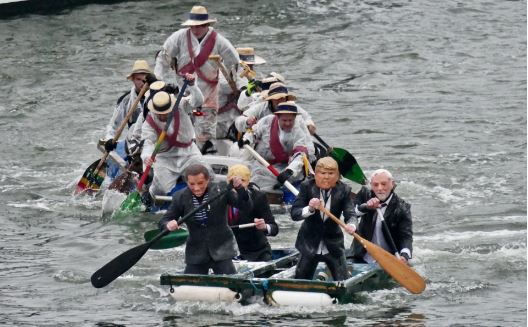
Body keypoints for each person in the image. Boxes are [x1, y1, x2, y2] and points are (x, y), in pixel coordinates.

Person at [154, 5, 240, 151]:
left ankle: (204, 153)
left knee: (205, 130)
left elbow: (234, 61)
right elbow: (163, 57)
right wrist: (159, 81)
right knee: (182, 125)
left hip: (209, 91)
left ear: (206, 25)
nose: (195, 30)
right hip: (184, 89)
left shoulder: (218, 40)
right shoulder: (179, 37)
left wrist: (233, 82)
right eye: (193, 27)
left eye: (199, 26)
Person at [158, 164, 252, 274]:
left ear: (207, 180)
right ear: (187, 182)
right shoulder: (180, 197)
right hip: (196, 253)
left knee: (232, 286)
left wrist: (240, 189)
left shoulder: (221, 189)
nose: (196, 188)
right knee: (188, 287)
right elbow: (163, 221)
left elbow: (246, 207)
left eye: (200, 183)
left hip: (221, 249)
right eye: (192, 184)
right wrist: (168, 225)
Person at [140, 74, 207, 205]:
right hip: (165, 158)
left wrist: (192, 86)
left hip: (189, 152)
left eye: (166, 112)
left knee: (206, 174)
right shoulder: (149, 122)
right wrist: (147, 156)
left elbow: (198, 101)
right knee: (160, 190)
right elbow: (147, 143)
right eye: (160, 113)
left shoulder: (180, 104)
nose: (163, 115)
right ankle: (150, 198)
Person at [291, 157, 357, 281]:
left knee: (342, 280)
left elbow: (350, 214)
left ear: (337, 176)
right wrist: (310, 208)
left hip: (333, 244)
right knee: (301, 279)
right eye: (323, 173)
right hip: (309, 243)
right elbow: (295, 214)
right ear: (315, 175)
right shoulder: (306, 187)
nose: (326, 177)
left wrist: (351, 225)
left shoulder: (344, 190)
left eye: (331, 174)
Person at [239, 101, 315, 191]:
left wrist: (290, 171)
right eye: (284, 120)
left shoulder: (298, 131)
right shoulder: (267, 120)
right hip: (262, 162)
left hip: (284, 167)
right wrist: (246, 139)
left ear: (295, 118)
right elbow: (254, 131)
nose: (287, 123)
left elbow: (300, 154)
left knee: (275, 184)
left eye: (290, 120)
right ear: (278, 117)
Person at [101, 60, 152, 178]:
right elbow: (113, 126)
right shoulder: (126, 100)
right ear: (133, 80)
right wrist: (109, 140)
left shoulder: (159, 97)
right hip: (134, 142)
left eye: (145, 80)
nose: (142, 83)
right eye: (138, 79)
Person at [350, 169, 413, 265]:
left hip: (389, 257)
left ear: (392, 184)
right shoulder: (364, 194)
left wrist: (404, 255)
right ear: (371, 185)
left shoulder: (402, 208)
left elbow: (406, 237)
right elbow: (351, 214)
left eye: (384, 184)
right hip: (361, 255)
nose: (379, 188)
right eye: (375, 185)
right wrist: (366, 207)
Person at [226, 164, 279, 261]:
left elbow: (274, 228)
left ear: (248, 181)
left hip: (256, 252)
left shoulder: (258, 197)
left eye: (242, 181)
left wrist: (264, 227)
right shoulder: (221, 197)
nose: (237, 184)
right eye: (233, 181)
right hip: (227, 254)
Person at [234, 82, 316, 135]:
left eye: (282, 98)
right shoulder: (261, 107)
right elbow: (239, 120)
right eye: (277, 98)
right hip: (265, 142)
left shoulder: (292, 107)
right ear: (271, 99)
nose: (280, 101)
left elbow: (307, 118)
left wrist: (309, 125)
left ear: (286, 98)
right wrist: (247, 121)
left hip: (289, 140)